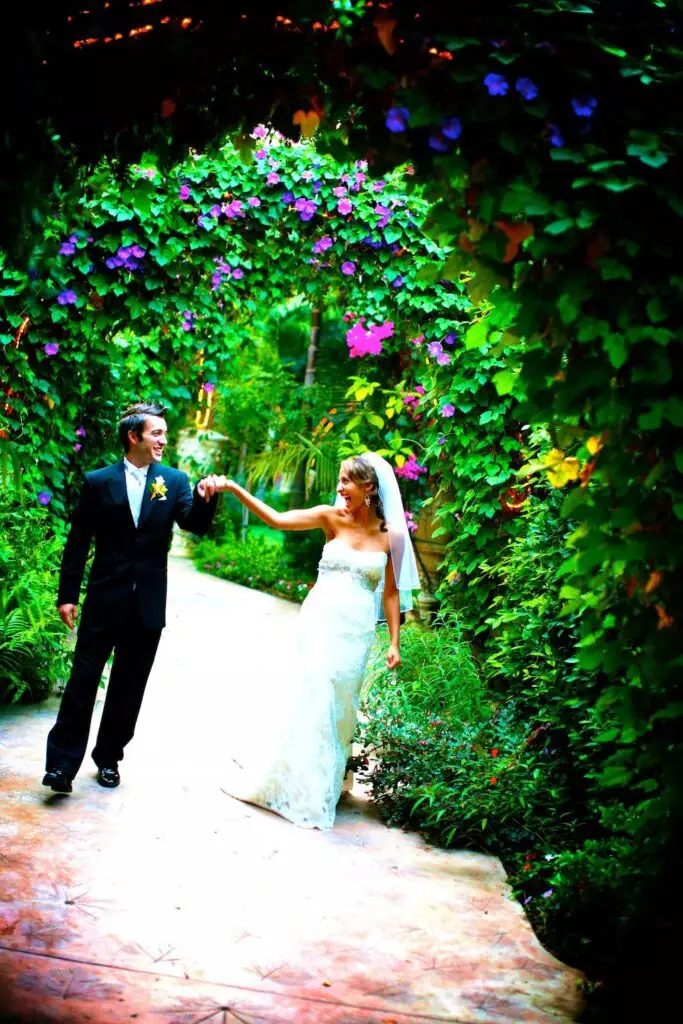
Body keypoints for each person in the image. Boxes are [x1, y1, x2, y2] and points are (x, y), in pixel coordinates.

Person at [214, 451, 420, 830]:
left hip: (356, 631)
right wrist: (233, 488)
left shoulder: (391, 536)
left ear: (369, 487)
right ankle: (305, 790)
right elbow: (276, 519)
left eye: (346, 481)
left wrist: (394, 642)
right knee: (316, 693)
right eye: (340, 480)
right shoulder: (331, 518)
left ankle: (328, 780)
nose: (339, 488)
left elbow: (391, 594)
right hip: (319, 621)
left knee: (341, 709)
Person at [42, 402, 222, 794]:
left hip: (147, 605)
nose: (163, 439)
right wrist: (67, 595)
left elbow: (194, 524)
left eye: (164, 434)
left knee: (128, 686)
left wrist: (207, 497)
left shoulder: (174, 481)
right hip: (104, 600)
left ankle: (109, 758)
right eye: (156, 433)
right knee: (82, 680)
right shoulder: (98, 481)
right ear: (133, 436)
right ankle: (60, 766)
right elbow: (78, 543)